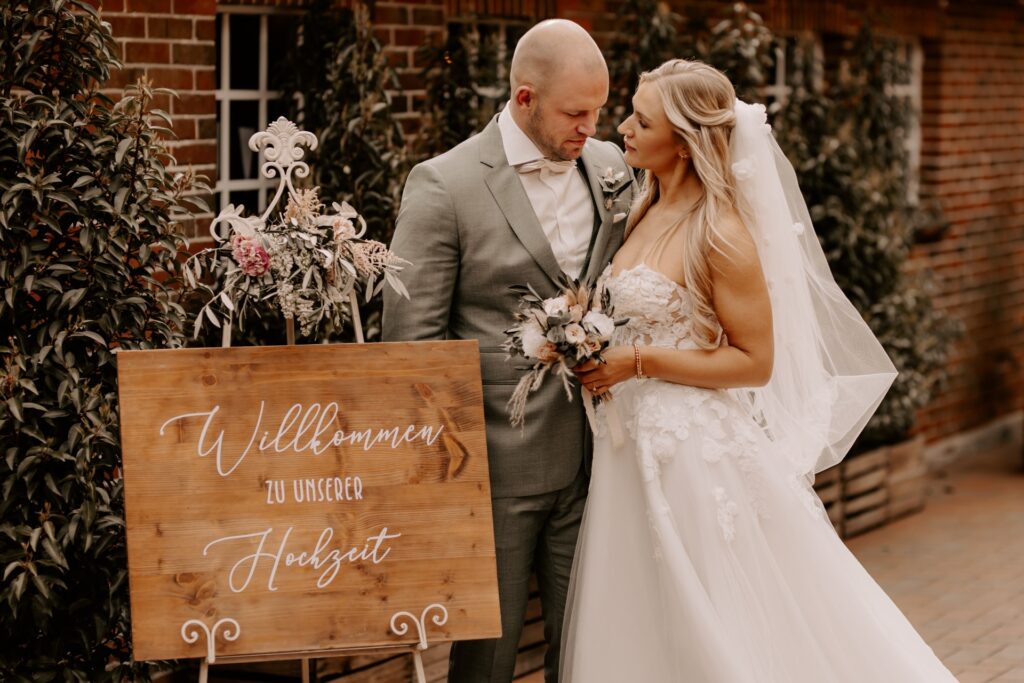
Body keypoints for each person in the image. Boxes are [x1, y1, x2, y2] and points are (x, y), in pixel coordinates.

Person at [564, 59, 957, 682]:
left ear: (687, 143)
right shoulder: (641, 208)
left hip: (691, 456)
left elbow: (754, 362)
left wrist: (637, 361)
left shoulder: (720, 233)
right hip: (628, 446)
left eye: (641, 120)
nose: (623, 130)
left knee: (714, 616)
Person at [382, 20, 634, 683]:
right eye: (576, 112)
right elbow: (411, 351)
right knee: (486, 661)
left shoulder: (610, 168)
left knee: (592, 646)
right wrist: (447, 477)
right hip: (495, 470)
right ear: (524, 98)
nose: (591, 126)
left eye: (600, 111)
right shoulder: (443, 185)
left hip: (602, 457)